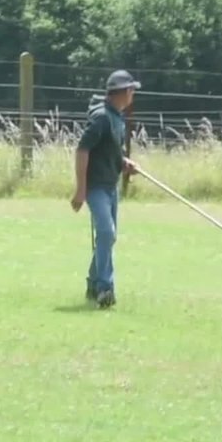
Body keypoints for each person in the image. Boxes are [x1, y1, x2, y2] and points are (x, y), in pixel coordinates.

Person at [71, 69, 141, 309]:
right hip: (96, 187)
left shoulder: (117, 118)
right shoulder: (101, 117)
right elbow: (82, 150)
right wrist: (81, 189)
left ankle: (92, 283)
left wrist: (123, 162)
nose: (133, 94)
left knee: (106, 238)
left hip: (111, 186)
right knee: (106, 232)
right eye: (131, 90)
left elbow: (109, 151)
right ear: (120, 92)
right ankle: (105, 288)